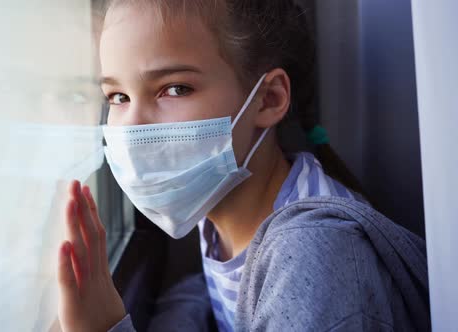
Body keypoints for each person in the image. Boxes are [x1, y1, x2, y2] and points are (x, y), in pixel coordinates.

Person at [55, 0, 430, 331]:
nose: (132, 127)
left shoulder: (311, 254)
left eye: (175, 88)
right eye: (117, 96)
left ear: (267, 99)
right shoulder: (221, 213)